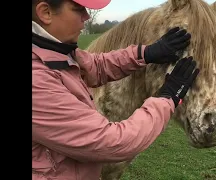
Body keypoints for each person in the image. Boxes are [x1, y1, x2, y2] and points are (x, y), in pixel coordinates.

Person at [32, 0, 199, 179]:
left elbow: (97, 65)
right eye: (78, 9)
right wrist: (167, 99)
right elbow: (111, 142)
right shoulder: (37, 81)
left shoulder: (54, 52)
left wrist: (147, 53)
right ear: (45, 12)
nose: (87, 16)